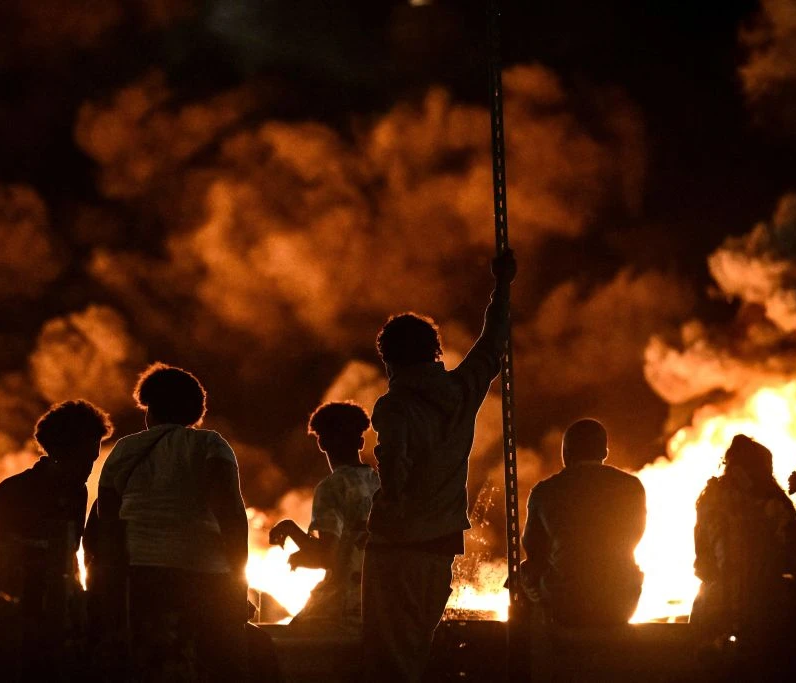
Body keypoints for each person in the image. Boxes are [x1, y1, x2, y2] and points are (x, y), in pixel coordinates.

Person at [362, 250, 515, 683]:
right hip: (440, 544)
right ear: (434, 351)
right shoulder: (461, 391)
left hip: (396, 546)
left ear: (389, 359)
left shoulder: (395, 406)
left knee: (385, 656)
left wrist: (384, 505)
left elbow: (394, 471)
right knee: (416, 648)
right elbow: (492, 344)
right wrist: (502, 286)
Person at [96, 363, 248, 682]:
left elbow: (106, 521)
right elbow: (232, 514)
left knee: (149, 667)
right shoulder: (210, 445)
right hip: (204, 576)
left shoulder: (124, 449)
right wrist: (238, 580)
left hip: (139, 579)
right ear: (196, 411)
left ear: (150, 409)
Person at [0, 399, 112, 672]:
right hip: (15, 625)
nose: (89, 469)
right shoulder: (14, 492)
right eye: (84, 459)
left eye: (93, 460)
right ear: (60, 452)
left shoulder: (77, 492)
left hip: (57, 623)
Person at [691, 435, 796, 655]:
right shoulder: (777, 504)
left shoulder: (710, 500)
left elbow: (702, 564)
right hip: (770, 607)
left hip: (715, 609)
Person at [520, 418, 646, 627]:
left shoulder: (545, 491)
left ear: (565, 454)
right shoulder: (633, 487)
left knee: (521, 574)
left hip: (566, 603)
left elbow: (533, 549)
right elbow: (635, 535)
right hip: (621, 602)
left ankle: (531, 652)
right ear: (604, 453)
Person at [269, 401, 380, 634]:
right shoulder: (379, 483)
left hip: (340, 606)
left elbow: (327, 557)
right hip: (378, 603)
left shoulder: (331, 487)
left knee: (285, 642)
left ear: (321, 442)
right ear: (361, 441)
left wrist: (290, 529)